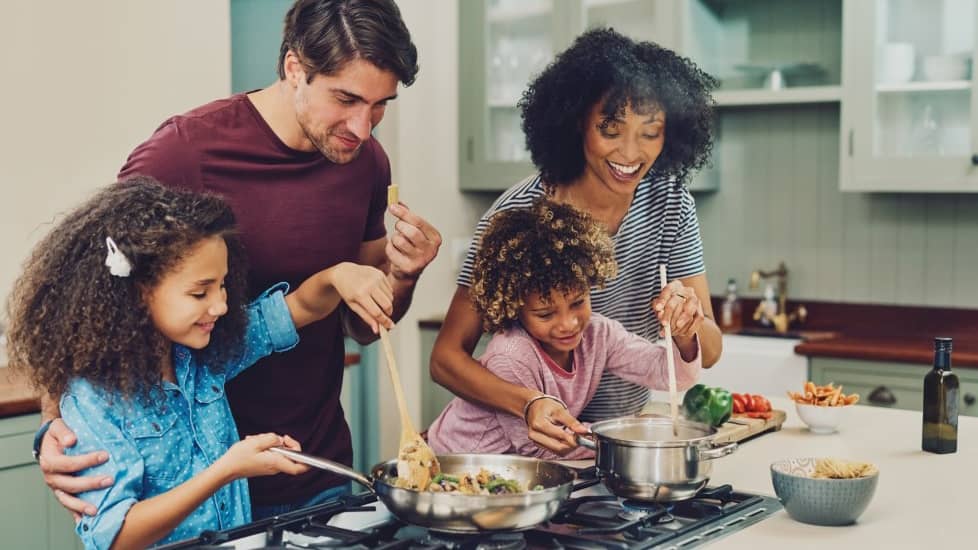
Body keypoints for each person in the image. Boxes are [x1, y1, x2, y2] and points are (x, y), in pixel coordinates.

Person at [36, 0, 441, 521]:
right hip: (192, 497)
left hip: (317, 471)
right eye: (346, 99)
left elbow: (359, 327)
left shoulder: (367, 164)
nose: (363, 128)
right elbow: (90, 295)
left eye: (381, 105)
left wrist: (403, 275)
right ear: (295, 67)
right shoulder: (183, 151)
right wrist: (57, 427)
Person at [6, 178, 402, 548]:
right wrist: (227, 469)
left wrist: (339, 276)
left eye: (223, 284)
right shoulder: (92, 400)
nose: (221, 304)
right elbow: (117, 535)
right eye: (200, 292)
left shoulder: (205, 354)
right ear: (139, 292)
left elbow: (297, 307)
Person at [430, 28, 719, 456]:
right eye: (610, 128)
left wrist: (688, 325)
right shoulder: (517, 216)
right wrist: (529, 403)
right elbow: (446, 359)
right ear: (576, 122)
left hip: (616, 438)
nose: (630, 152)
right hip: (538, 448)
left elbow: (707, 352)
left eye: (650, 132)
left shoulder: (670, 203)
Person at [426, 200, 701, 459]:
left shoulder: (598, 334)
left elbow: (672, 374)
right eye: (545, 314)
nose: (568, 323)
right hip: (459, 459)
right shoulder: (511, 356)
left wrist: (683, 333)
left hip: (515, 466)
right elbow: (539, 448)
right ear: (515, 308)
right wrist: (629, 434)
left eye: (578, 302)